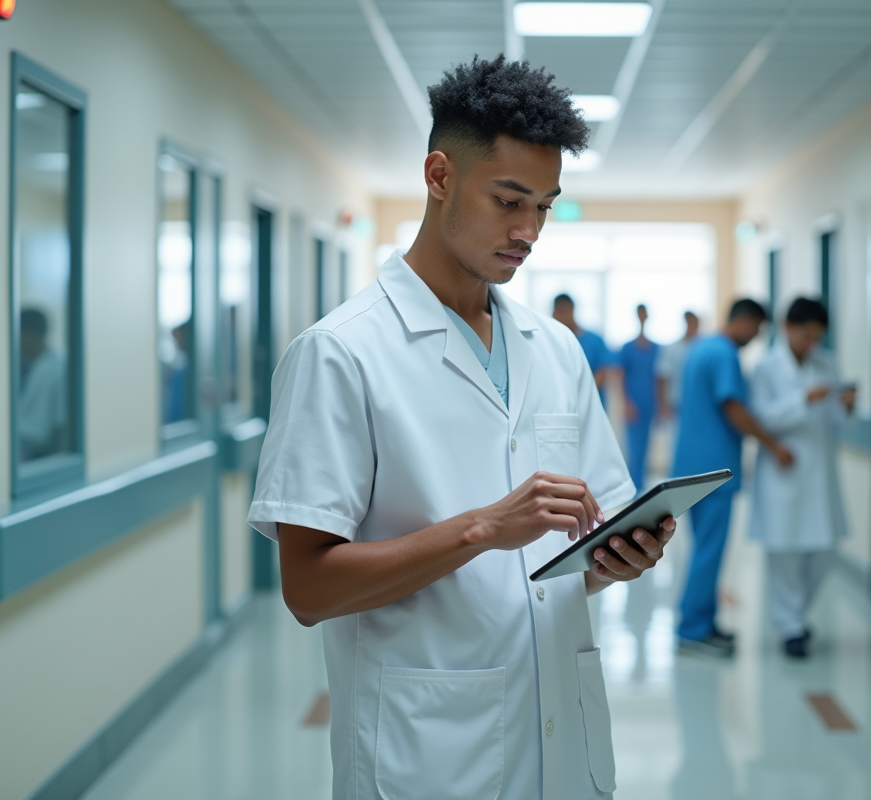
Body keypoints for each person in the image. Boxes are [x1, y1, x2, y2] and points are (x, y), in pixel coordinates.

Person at [248, 55, 675, 800]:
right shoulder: (341, 353)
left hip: (561, 744)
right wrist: (481, 529)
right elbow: (308, 589)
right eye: (508, 200)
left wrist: (618, 558)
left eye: (544, 205)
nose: (529, 230)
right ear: (439, 176)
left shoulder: (555, 350)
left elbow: (580, 547)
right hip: (427, 756)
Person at [673, 298, 794, 658]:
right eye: (756, 329)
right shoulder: (724, 354)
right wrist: (773, 445)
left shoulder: (702, 348)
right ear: (743, 321)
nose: (755, 337)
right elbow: (734, 409)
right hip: (713, 470)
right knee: (709, 550)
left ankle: (703, 623)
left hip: (692, 466)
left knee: (703, 548)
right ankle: (692, 630)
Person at [749, 297, 855, 658]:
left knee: (825, 550)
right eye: (806, 335)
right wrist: (803, 399)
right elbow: (762, 418)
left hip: (819, 473)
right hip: (783, 471)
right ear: (788, 328)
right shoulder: (766, 368)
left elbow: (837, 423)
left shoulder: (828, 363)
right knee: (784, 553)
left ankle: (795, 615)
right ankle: (790, 627)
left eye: (817, 337)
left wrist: (846, 406)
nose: (812, 344)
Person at [617, 304, 660, 493]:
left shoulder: (656, 348)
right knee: (634, 447)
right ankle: (633, 487)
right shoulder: (627, 348)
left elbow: (660, 379)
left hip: (649, 403)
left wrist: (660, 404)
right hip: (633, 404)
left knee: (646, 446)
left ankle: (641, 486)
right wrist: (626, 403)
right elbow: (620, 376)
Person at [17, 307, 68, 460]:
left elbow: (59, 425)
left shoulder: (59, 368)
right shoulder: (26, 366)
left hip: (42, 455)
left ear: (28, 335)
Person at [552, 293, 613, 406]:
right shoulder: (551, 343)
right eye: (557, 313)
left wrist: (578, 392)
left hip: (593, 405)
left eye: (563, 312)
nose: (559, 317)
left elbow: (603, 373)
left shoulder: (595, 341)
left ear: (572, 310)